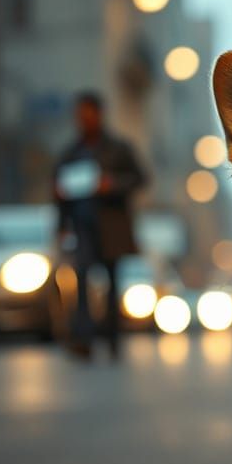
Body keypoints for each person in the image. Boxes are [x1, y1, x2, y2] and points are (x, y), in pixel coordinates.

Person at [54, 91, 147, 358]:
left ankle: (112, 338)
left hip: (110, 226)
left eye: (88, 114)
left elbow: (140, 178)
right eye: (79, 116)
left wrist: (112, 184)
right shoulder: (70, 153)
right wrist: (61, 222)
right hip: (81, 226)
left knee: (111, 280)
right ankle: (83, 337)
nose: (83, 120)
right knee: (81, 277)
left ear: (99, 114)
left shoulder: (118, 148)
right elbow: (58, 192)